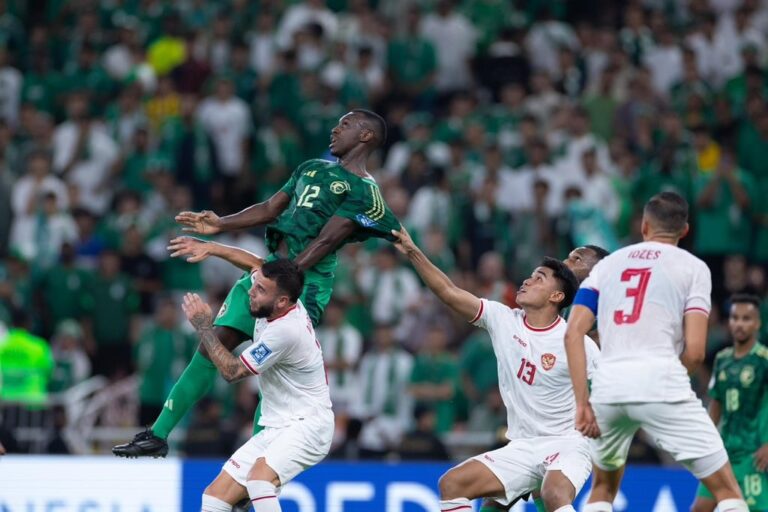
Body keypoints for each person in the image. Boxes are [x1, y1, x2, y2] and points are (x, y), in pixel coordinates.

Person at [114, 109, 401, 457]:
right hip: (267, 270)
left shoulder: (365, 192)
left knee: (271, 377)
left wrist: (281, 281)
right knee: (213, 345)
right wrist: (221, 223)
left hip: (302, 285)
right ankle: (157, 435)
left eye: (345, 124)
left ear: (366, 136)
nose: (335, 129)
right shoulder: (311, 168)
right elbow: (270, 208)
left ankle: (256, 467)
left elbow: (325, 242)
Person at [564, 191, 750, 512]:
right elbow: (695, 352)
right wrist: (666, 386)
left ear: (644, 226)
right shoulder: (694, 268)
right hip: (662, 380)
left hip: (608, 389)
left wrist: (583, 402)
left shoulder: (607, 266)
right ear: (685, 230)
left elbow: (573, 333)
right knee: (727, 492)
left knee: (602, 490)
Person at [391, 227, 599, 512]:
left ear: (556, 297)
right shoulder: (503, 319)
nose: (527, 280)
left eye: (539, 278)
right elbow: (449, 293)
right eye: (531, 275)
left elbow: (611, 389)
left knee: (552, 494)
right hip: (522, 446)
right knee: (452, 484)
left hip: (567, 443)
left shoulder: (577, 341)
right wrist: (413, 250)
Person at [182, 260, 333, 512]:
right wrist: (211, 248)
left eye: (261, 289)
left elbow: (232, 372)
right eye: (256, 284)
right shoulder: (273, 299)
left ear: (282, 302)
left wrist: (204, 327)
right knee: (214, 497)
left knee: (259, 481)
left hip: (309, 425)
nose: (251, 291)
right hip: (276, 426)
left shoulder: (285, 331)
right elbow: (254, 263)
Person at [480, 243, 609, 512]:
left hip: (575, 428)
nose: (567, 261)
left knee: (546, 491)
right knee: (501, 498)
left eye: (577, 258)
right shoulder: (560, 308)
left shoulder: (600, 314)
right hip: (539, 430)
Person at [691, 294, 768, 512]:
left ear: (758, 323)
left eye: (746, 318)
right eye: (735, 318)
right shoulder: (722, 359)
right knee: (700, 508)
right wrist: (706, 437)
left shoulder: (764, 360)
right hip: (724, 452)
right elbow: (716, 402)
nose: (740, 324)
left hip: (754, 454)